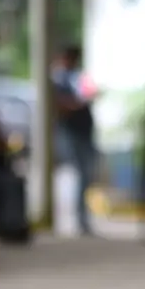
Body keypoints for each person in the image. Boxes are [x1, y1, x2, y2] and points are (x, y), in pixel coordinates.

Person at [52, 44, 99, 236]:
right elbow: (61, 105)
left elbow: (89, 93)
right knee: (77, 174)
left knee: (86, 175)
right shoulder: (58, 79)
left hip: (84, 130)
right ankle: (78, 219)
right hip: (70, 131)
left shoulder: (77, 77)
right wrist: (75, 104)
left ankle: (83, 219)